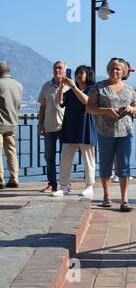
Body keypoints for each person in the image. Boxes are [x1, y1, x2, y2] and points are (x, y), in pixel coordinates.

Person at [87, 58, 136, 212]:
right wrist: (106, 111)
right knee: (105, 163)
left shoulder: (129, 89)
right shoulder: (99, 87)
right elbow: (89, 108)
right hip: (105, 132)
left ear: (123, 71)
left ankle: (124, 199)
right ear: (108, 70)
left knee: (124, 164)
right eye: (112, 68)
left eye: (118, 69)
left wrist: (131, 108)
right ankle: (106, 195)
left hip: (125, 132)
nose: (114, 71)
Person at [52, 65, 97, 197]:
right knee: (65, 158)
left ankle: (89, 185)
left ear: (88, 75)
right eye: (77, 73)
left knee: (88, 159)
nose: (78, 75)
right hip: (70, 127)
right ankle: (64, 185)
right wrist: (61, 86)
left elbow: (87, 101)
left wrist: (73, 87)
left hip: (86, 127)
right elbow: (59, 101)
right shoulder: (70, 91)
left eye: (81, 73)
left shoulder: (92, 89)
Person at [38, 61, 69, 193]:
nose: (57, 70)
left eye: (60, 68)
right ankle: (52, 184)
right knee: (49, 157)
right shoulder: (46, 86)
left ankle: (65, 184)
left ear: (65, 70)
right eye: (55, 68)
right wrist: (40, 123)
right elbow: (43, 107)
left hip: (65, 128)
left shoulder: (70, 86)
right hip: (49, 127)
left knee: (65, 158)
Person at [111, 61, 136, 183]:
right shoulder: (116, 86)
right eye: (129, 71)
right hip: (116, 123)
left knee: (124, 150)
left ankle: (122, 172)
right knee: (117, 150)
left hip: (127, 124)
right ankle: (117, 173)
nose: (129, 74)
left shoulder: (127, 87)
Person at [0, 61, 23, 189]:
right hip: (13, 123)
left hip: (0, 124)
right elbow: (18, 105)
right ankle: (14, 179)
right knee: (11, 152)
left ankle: (0, 180)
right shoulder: (18, 85)